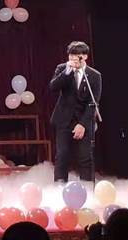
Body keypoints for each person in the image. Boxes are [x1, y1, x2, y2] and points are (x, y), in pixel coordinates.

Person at [49, 41, 102, 182]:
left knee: (85, 157)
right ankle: (59, 187)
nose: (73, 59)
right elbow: (53, 87)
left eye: (77, 56)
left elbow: (93, 103)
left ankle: (88, 188)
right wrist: (67, 72)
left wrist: (83, 124)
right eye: (71, 56)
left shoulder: (94, 76)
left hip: (84, 120)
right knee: (62, 155)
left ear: (84, 57)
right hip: (64, 119)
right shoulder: (62, 69)